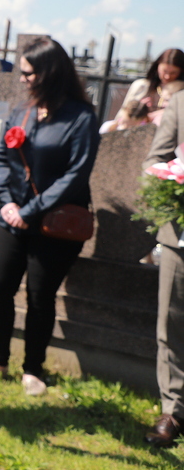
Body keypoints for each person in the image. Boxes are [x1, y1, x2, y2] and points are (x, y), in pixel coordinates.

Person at [0, 37, 99, 396]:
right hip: (11, 217)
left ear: (49, 72)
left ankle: (33, 368)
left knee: (40, 296)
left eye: (29, 73)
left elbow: (76, 175)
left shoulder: (80, 117)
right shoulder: (23, 111)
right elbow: (0, 157)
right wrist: (6, 203)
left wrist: (30, 211)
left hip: (53, 224)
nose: (23, 78)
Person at [143, 88, 184, 447]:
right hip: (179, 236)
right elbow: (155, 160)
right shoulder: (182, 103)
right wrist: (170, 182)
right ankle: (172, 410)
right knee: (171, 323)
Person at [116, 48, 184, 123]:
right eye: (164, 71)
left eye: (173, 73)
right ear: (157, 66)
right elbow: (121, 117)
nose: (167, 76)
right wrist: (137, 108)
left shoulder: (181, 90)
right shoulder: (141, 86)